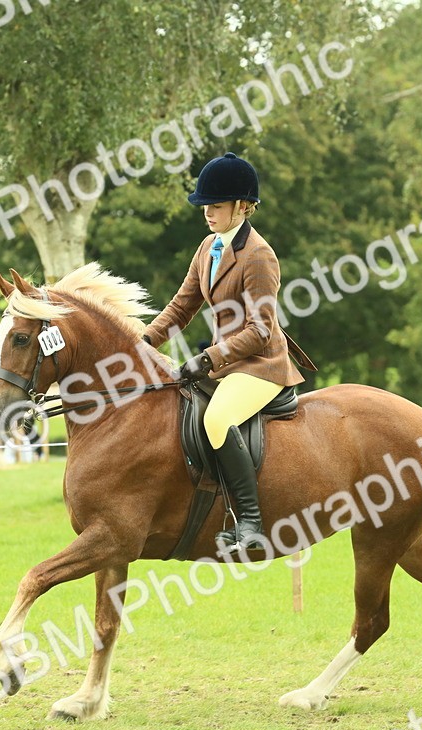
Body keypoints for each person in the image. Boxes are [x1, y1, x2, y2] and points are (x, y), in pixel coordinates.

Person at [142, 152, 312, 552]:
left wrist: (207, 359)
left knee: (217, 417)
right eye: (205, 206)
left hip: (261, 366)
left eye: (215, 205)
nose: (207, 213)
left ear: (242, 206)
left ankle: (250, 522)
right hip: (228, 365)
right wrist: (145, 341)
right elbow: (182, 306)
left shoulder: (258, 255)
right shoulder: (208, 248)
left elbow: (260, 329)